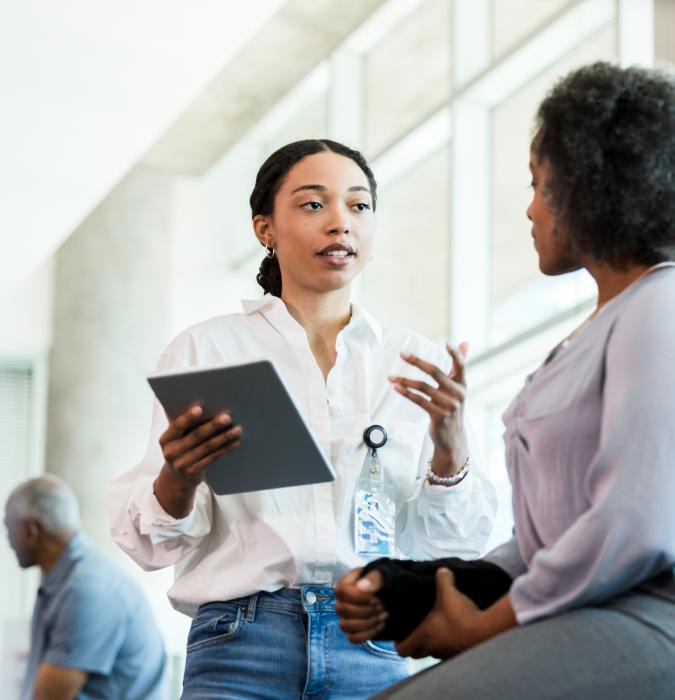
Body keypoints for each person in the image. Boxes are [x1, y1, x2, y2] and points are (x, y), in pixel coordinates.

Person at [107, 138, 497, 698]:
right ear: (264, 229)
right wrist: (179, 475)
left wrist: (451, 446)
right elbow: (152, 545)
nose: (341, 223)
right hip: (240, 645)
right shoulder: (209, 351)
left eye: (358, 206)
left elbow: (448, 547)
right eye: (314, 205)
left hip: (374, 640)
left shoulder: (417, 363)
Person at [335, 61, 675, 699]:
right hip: (582, 612)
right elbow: (548, 540)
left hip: (649, 616)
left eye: (540, 186)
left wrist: (486, 625)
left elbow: (635, 520)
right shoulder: (596, 330)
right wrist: (429, 585)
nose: (529, 209)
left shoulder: (661, 305)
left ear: (593, 187)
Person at [4, 474, 168, 700]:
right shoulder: (65, 578)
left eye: (8, 527)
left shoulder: (88, 590)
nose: (8, 540)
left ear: (30, 531)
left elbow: (49, 697)